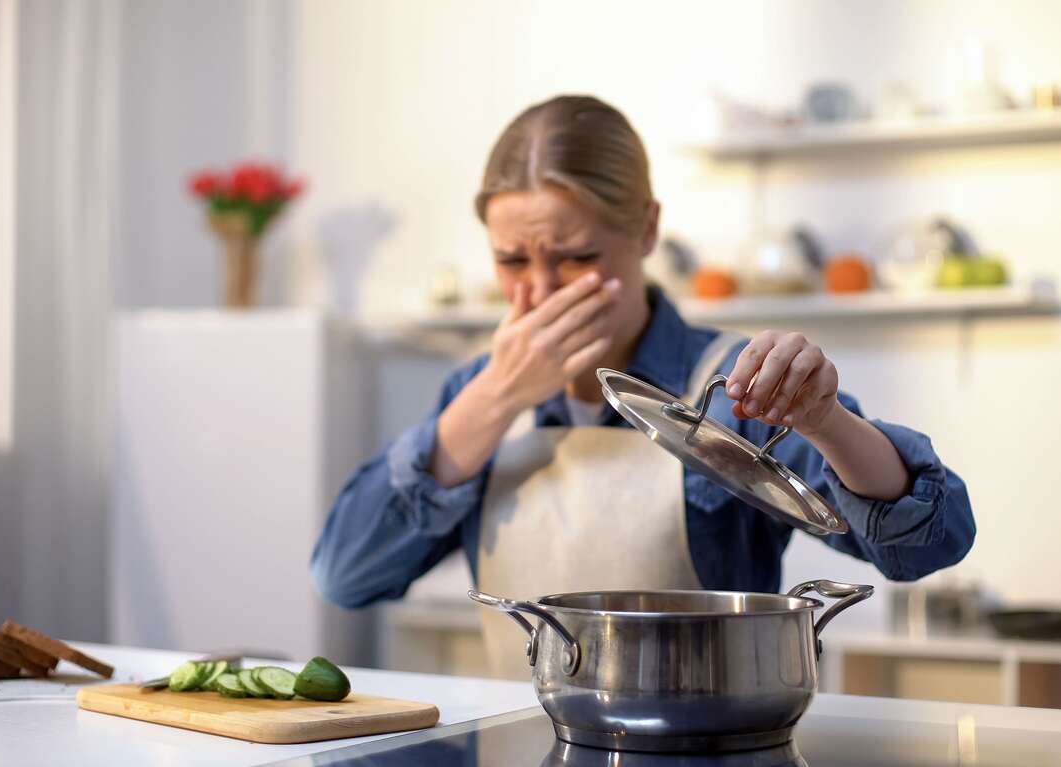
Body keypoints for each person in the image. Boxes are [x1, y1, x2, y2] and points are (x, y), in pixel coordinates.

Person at [310, 95, 975, 678]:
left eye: (576, 257)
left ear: (648, 228)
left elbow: (930, 543)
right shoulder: (476, 391)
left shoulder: (729, 383)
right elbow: (345, 576)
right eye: (512, 260)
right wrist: (494, 396)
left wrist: (827, 419)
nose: (539, 291)